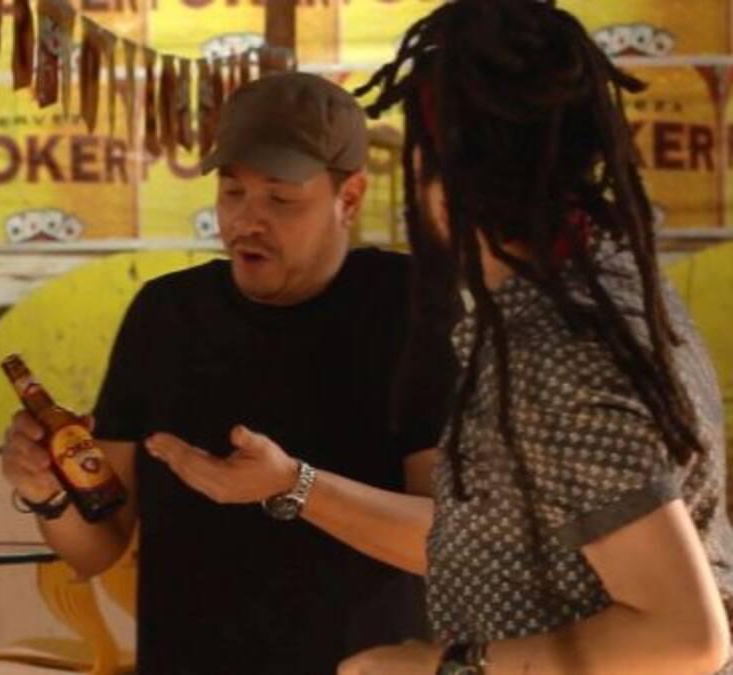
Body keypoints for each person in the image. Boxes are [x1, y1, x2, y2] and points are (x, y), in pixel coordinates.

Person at [147, 1, 733, 673]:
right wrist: (293, 484)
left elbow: (685, 636)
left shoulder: (558, 350)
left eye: (281, 197)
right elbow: (499, 540)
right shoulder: (612, 287)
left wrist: (443, 665)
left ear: (439, 177)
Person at [1, 72, 456, 673]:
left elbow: (445, 543)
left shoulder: (411, 307)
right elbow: (97, 548)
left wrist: (292, 485)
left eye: (280, 199)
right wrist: (48, 492)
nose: (247, 220)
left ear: (348, 198)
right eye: (232, 192)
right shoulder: (166, 315)